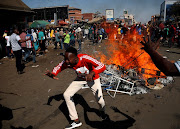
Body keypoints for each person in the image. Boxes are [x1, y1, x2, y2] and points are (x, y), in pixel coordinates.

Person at [45, 47, 107, 129]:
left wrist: (92, 73)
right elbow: (59, 67)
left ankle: (102, 112)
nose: (66, 61)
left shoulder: (85, 58)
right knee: (67, 95)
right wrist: (53, 74)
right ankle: (75, 120)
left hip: (93, 79)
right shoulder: (67, 62)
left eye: (68, 59)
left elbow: (102, 65)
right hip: (80, 79)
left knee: (100, 100)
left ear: (75, 58)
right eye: (65, 58)